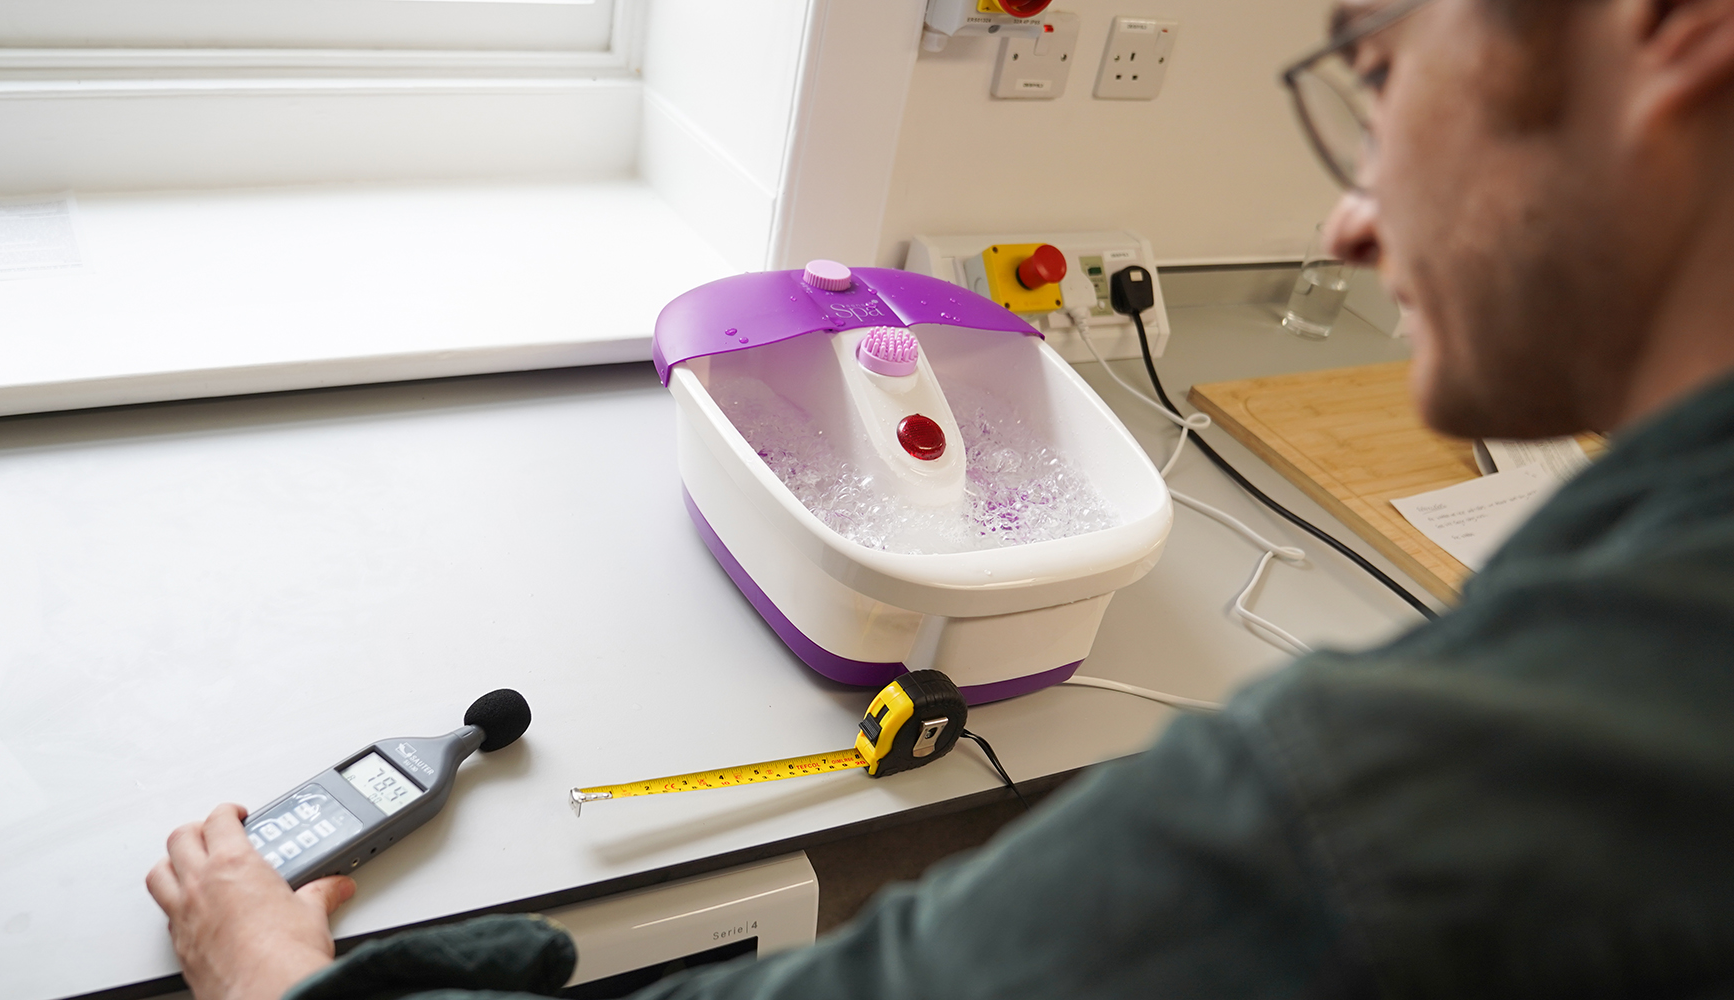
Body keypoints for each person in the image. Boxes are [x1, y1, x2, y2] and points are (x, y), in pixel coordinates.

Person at [147, 0, 1734, 996]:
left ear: (1673, 31)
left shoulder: (1398, 785)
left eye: (1377, 75)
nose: (1347, 221)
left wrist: (278, 982)